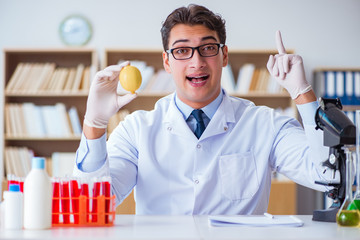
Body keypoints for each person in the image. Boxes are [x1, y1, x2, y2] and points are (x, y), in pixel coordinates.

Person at [73, 4, 331, 215]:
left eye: (208, 48)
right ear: (167, 61)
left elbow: (327, 175)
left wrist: (303, 95)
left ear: (224, 56)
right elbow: (94, 206)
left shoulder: (266, 124)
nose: (197, 62)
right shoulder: (136, 130)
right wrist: (94, 125)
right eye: (182, 50)